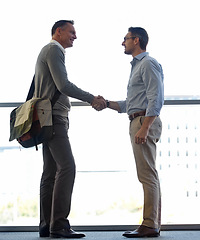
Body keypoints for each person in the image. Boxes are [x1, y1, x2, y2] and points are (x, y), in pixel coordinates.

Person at [34, 20, 106, 238]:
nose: (75, 36)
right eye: (72, 32)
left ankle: (47, 225)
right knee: (67, 167)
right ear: (59, 31)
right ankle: (59, 225)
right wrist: (92, 98)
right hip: (54, 117)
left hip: (47, 117)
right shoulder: (53, 50)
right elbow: (63, 85)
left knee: (50, 172)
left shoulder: (47, 51)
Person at [105, 27, 164, 238]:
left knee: (147, 175)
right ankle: (153, 223)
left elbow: (156, 98)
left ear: (136, 40)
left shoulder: (148, 64)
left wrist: (145, 127)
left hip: (143, 121)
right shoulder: (138, 66)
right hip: (137, 118)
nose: (123, 42)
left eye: (126, 39)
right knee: (147, 174)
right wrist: (106, 104)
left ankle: (150, 225)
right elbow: (131, 103)